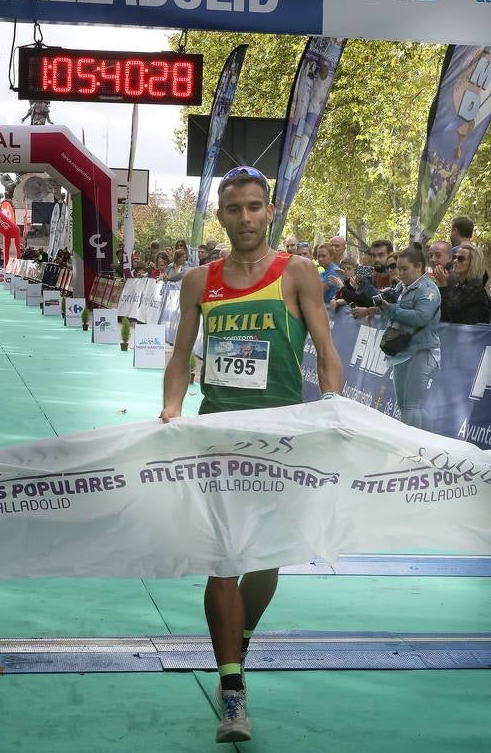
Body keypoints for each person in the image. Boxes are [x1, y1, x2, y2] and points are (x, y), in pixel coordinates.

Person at [160, 166, 342, 745]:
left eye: (254, 207)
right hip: (217, 433)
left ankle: (238, 639)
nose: (245, 218)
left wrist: (332, 411)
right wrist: (171, 409)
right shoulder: (198, 280)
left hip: (281, 436)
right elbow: (182, 354)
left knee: (265, 562)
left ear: (269, 212)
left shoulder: (299, 272)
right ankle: (232, 688)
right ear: (221, 216)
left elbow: (326, 351)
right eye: (234, 208)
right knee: (223, 559)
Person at [377, 243, 441, 430]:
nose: (401, 273)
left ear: (419, 267)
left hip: (422, 350)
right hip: (403, 350)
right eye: (399, 268)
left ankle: (412, 450)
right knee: (405, 405)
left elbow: (422, 317)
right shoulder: (403, 287)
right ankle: (423, 445)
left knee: (412, 406)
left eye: (405, 269)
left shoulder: (428, 289)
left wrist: (393, 310)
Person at [434, 242, 490, 324]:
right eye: (454, 257)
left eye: (461, 258)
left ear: (472, 263)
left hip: (472, 335)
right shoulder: (459, 285)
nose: (455, 261)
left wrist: (443, 286)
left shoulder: (475, 287)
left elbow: (450, 315)